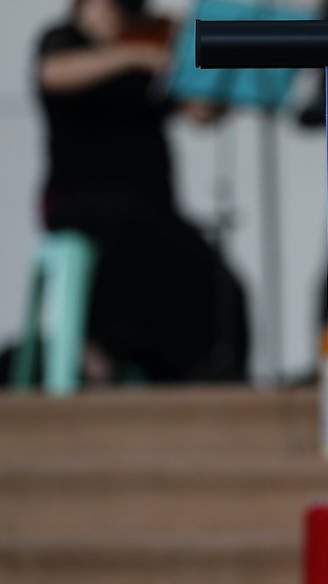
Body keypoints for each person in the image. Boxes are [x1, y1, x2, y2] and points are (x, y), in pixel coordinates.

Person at [35, 0, 247, 383]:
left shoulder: (152, 43)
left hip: (151, 208)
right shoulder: (64, 41)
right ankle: (101, 352)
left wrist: (205, 73)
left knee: (215, 279)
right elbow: (51, 74)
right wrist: (136, 55)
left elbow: (199, 111)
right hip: (81, 201)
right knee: (128, 236)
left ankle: (194, 370)